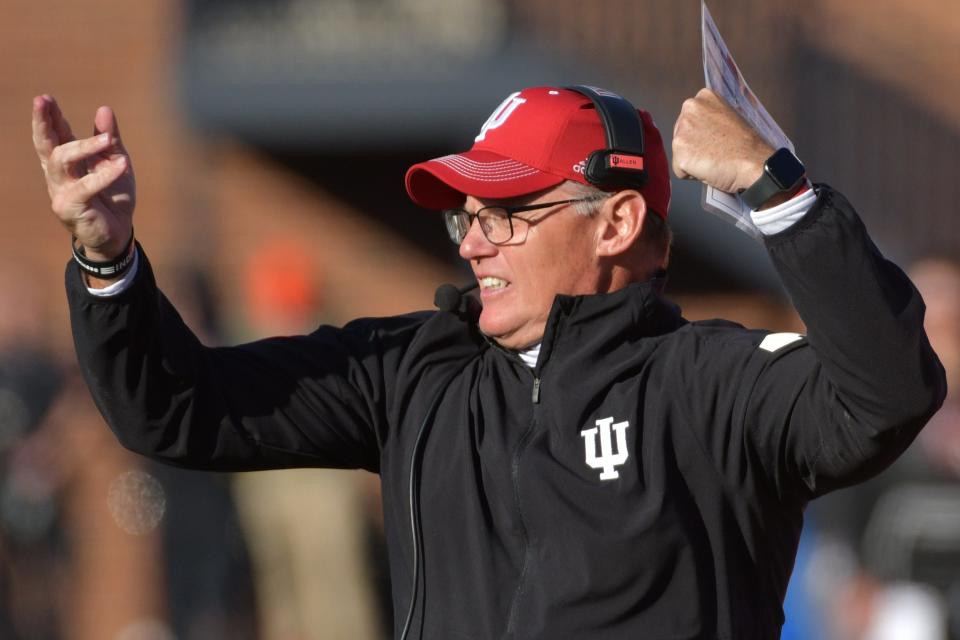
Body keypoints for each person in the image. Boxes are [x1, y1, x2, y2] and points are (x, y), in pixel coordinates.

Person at [32, 85, 945, 639]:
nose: (473, 245)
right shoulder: (414, 369)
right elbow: (178, 408)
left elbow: (887, 393)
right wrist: (108, 263)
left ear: (617, 223)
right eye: (465, 217)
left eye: (506, 213)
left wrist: (779, 193)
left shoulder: (711, 381)